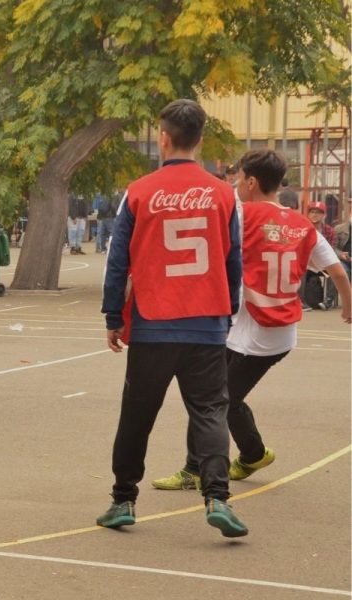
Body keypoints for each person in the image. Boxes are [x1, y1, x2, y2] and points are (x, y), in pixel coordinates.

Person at [152, 149, 351, 490]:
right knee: (219, 396)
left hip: (254, 334)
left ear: (252, 181)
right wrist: (347, 307)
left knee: (213, 400)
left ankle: (198, 469)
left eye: (238, 178)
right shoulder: (303, 225)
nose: (234, 184)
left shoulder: (243, 216)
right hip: (277, 333)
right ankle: (251, 454)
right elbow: (338, 272)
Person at [99, 99, 247, 537]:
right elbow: (234, 260)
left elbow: (117, 260)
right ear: (200, 140)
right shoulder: (224, 194)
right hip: (206, 320)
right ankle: (217, 497)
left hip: (153, 321)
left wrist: (112, 314)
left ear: (163, 137)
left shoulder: (139, 191)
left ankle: (123, 500)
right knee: (209, 412)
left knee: (137, 414)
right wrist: (229, 310)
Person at [335, 197, 351, 282]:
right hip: (344, 262)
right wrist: (341, 254)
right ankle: (331, 296)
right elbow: (332, 248)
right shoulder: (339, 229)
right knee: (340, 269)